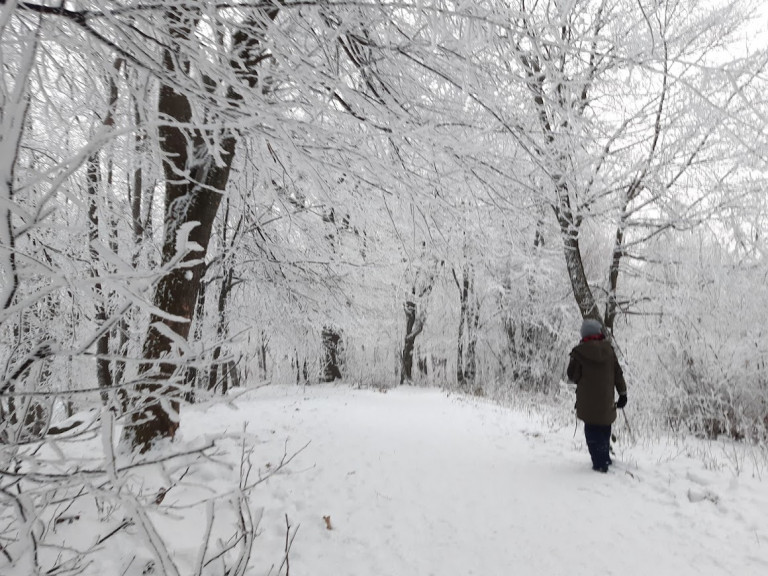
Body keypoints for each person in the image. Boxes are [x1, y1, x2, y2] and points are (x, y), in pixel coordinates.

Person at [567, 318, 627, 473]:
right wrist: (623, 393)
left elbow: (572, 376)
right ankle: (604, 457)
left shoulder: (579, 353)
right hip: (606, 402)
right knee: (604, 428)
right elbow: (618, 374)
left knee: (592, 430)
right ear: (599, 332)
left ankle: (599, 463)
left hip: (588, 404)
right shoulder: (609, 350)